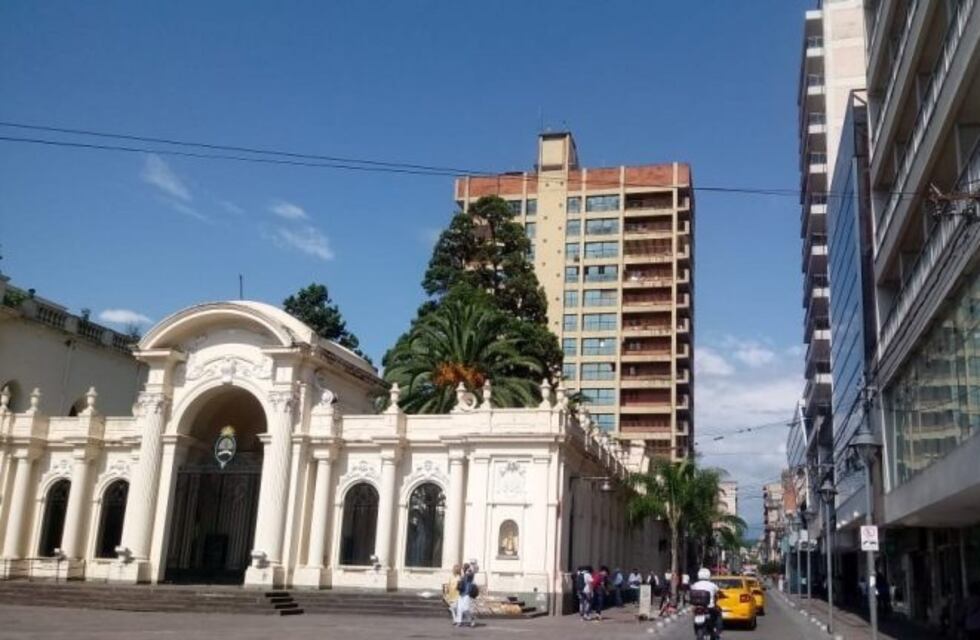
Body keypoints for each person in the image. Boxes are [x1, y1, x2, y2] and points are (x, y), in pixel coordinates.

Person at [690, 567, 722, 637]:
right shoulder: (712, 585)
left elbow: (691, 591)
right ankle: (717, 631)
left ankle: (697, 630)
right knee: (719, 613)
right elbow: (719, 592)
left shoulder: (695, 585)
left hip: (697, 607)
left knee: (695, 616)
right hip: (710, 607)